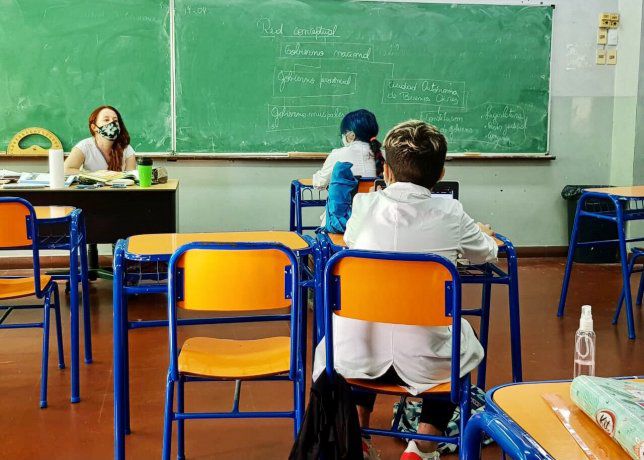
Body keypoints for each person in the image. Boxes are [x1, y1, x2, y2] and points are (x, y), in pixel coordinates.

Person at [313, 120, 497, 460]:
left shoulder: (363, 206)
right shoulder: (452, 212)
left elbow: (351, 239)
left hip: (355, 357)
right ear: (440, 174)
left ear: (386, 169)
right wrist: (481, 233)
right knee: (463, 340)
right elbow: (486, 253)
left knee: (369, 322)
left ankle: (359, 436)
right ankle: (423, 445)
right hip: (426, 363)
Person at [312, 109, 384, 188]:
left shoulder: (338, 154)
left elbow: (319, 183)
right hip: (377, 196)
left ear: (351, 135)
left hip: (349, 196)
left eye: (343, 133)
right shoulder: (383, 155)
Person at [64, 105, 136, 174]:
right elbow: (66, 170)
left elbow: (131, 177)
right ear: (94, 127)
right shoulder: (84, 146)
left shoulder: (127, 149)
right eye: (106, 120)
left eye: (115, 120)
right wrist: (94, 175)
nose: (112, 123)